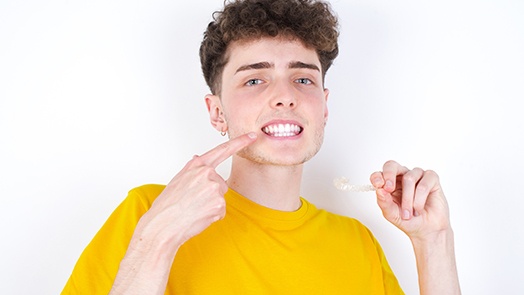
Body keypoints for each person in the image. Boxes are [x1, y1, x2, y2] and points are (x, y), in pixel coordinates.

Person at [62, 0, 461, 294]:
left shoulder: (359, 244)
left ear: (324, 106)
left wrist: (433, 242)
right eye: (255, 80)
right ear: (217, 112)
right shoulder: (148, 214)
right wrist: (157, 242)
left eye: (303, 79)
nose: (285, 96)